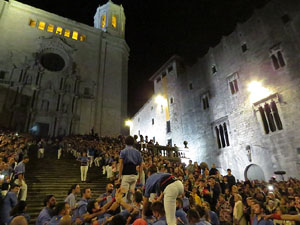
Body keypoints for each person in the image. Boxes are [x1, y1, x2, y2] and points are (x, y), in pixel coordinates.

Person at [118, 136, 143, 203]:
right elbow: (141, 165)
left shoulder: (123, 151)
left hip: (126, 174)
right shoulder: (137, 152)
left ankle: (123, 212)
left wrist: (119, 177)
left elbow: (121, 164)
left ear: (125, 142)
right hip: (134, 174)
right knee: (131, 196)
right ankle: (131, 210)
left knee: (123, 195)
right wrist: (139, 177)